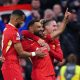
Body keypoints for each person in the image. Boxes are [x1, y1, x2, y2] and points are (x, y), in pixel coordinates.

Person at [1, 10, 46, 80]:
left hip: (9, 65)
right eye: (22, 21)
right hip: (11, 66)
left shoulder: (6, 29)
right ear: (16, 19)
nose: (22, 23)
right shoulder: (13, 32)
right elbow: (21, 53)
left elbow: (6, 47)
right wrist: (35, 53)